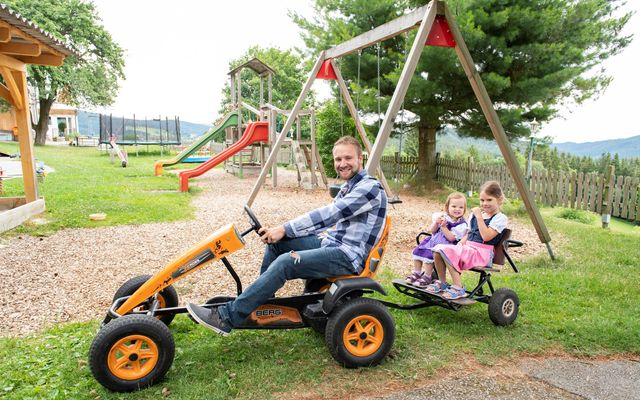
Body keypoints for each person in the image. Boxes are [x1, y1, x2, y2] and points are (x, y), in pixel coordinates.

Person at [187, 136, 388, 335]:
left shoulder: (369, 188)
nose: (342, 163)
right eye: (338, 159)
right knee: (277, 245)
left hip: (348, 256)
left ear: (360, 159)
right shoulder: (350, 185)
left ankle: (226, 317)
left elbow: (330, 214)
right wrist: (283, 233)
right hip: (331, 243)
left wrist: (284, 228)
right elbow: (325, 221)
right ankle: (262, 302)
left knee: (286, 262)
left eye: (348, 158)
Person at [425, 181, 508, 300]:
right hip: (469, 248)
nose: (484, 203)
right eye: (482, 200)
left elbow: (486, 237)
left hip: (481, 254)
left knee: (448, 252)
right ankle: (442, 282)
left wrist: (479, 217)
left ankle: (458, 288)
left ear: (499, 200)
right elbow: (469, 233)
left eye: (489, 200)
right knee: (438, 249)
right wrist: (460, 243)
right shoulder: (475, 216)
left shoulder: (500, 218)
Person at [406, 192, 468, 288]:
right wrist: (436, 223)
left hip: (447, 245)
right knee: (418, 251)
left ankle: (427, 276)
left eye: (461, 207)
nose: (457, 209)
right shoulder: (443, 217)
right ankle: (417, 272)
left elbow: (451, 238)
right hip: (433, 241)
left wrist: (443, 227)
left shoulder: (461, 224)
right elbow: (432, 231)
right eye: (454, 206)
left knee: (429, 255)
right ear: (447, 207)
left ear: (464, 209)